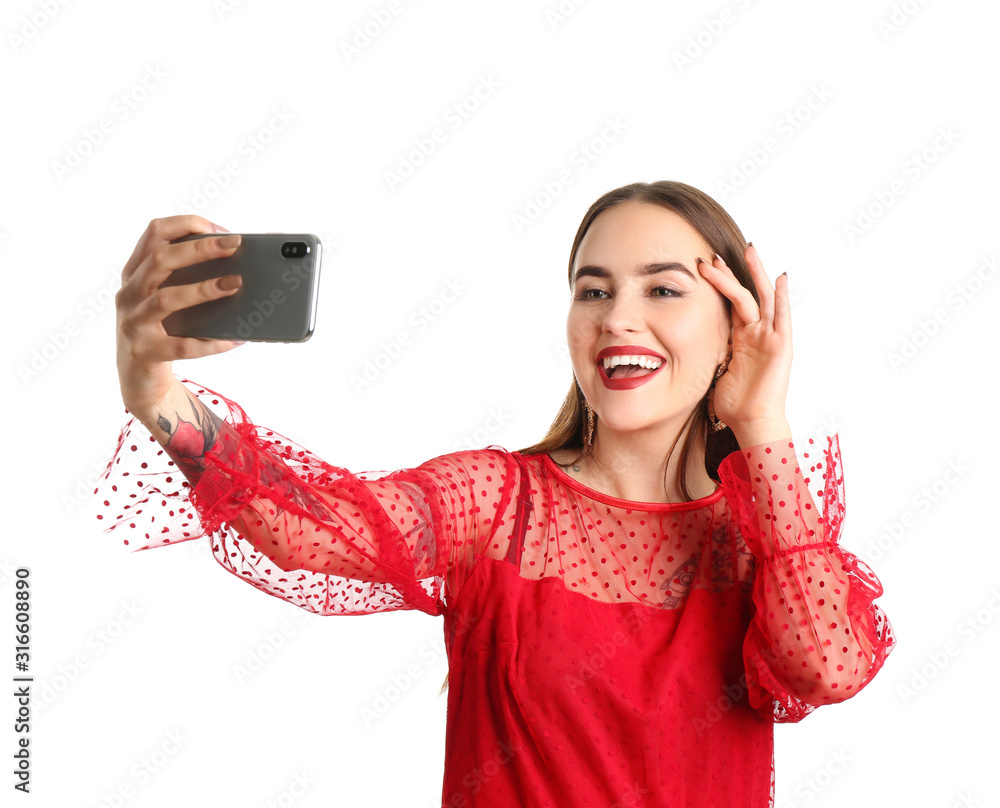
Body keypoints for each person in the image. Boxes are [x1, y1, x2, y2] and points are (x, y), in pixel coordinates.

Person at [96, 180, 895, 807]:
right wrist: (155, 393)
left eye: (661, 291)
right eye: (592, 290)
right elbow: (314, 530)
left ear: (733, 325)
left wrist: (763, 424)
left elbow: (827, 666)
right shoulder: (500, 502)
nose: (618, 318)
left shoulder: (767, 536)